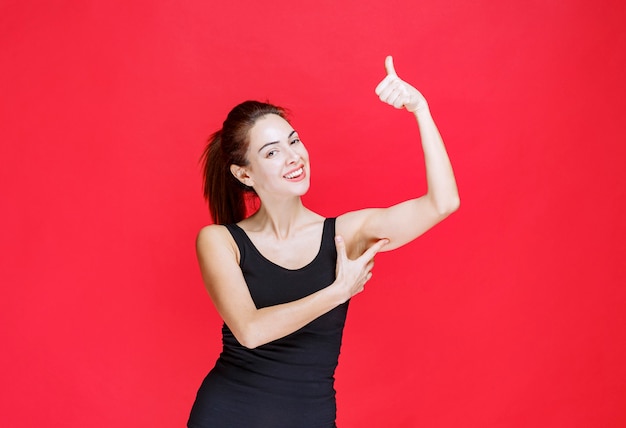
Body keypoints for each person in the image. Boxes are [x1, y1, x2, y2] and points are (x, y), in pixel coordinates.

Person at [188, 56, 459, 428]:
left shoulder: (345, 234)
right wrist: (338, 291)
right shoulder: (221, 241)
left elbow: (443, 203)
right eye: (272, 152)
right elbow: (251, 331)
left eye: (293, 141)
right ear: (244, 173)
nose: (293, 156)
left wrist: (420, 110)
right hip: (228, 415)